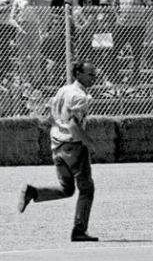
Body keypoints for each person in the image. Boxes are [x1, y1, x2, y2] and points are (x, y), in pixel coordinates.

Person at [18, 61, 100, 242]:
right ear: (78, 74)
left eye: (94, 74)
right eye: (90, 74)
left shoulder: (63, 90)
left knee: (67, 188)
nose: (94, 78)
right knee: (87, 189)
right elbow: (73, 124)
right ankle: (79, 230)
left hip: (57, 145)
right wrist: (90, 143)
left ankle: (34, 192)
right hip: (73, 146)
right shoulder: (80, 97)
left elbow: (51, 116)